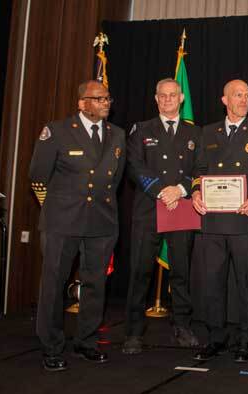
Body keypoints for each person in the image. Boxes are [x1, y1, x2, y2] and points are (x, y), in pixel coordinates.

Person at [29, 80, 126, 371]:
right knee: (54, 283)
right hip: (63, 220)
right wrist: (55, 211)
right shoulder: (57, 131)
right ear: (82, 103)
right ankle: (51, 346)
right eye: (98, 99)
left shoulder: (117, 134)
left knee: (95, 284)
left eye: (108, 98)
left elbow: (114, 180)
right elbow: (38, 176)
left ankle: (87, 341)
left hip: (101, 220)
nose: (105, 103)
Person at [190, 79, 248, 363]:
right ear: (224, 100)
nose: (244, 100)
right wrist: (196, 192)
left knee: (246, 282)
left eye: (247, 95)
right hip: (213, 222)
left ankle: (245, 339)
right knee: (212, 283)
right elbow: (199, 169)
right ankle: (215, 337)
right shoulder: (208, 132)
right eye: (238, 95)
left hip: (245, 222)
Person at [122, 78, 201, 354]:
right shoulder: (141, 129)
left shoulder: (195, 133)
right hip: (148, 209)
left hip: (182, 206)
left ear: (181, 98)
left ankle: (182, 325)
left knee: (181, 272)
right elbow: (134, 165)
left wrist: (180, 189)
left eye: (173, 95)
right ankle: (134, 332)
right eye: (163, 95)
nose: (168, 99)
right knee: (140, 272)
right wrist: (160, 190)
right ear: (156, 99)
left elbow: (201, 168)